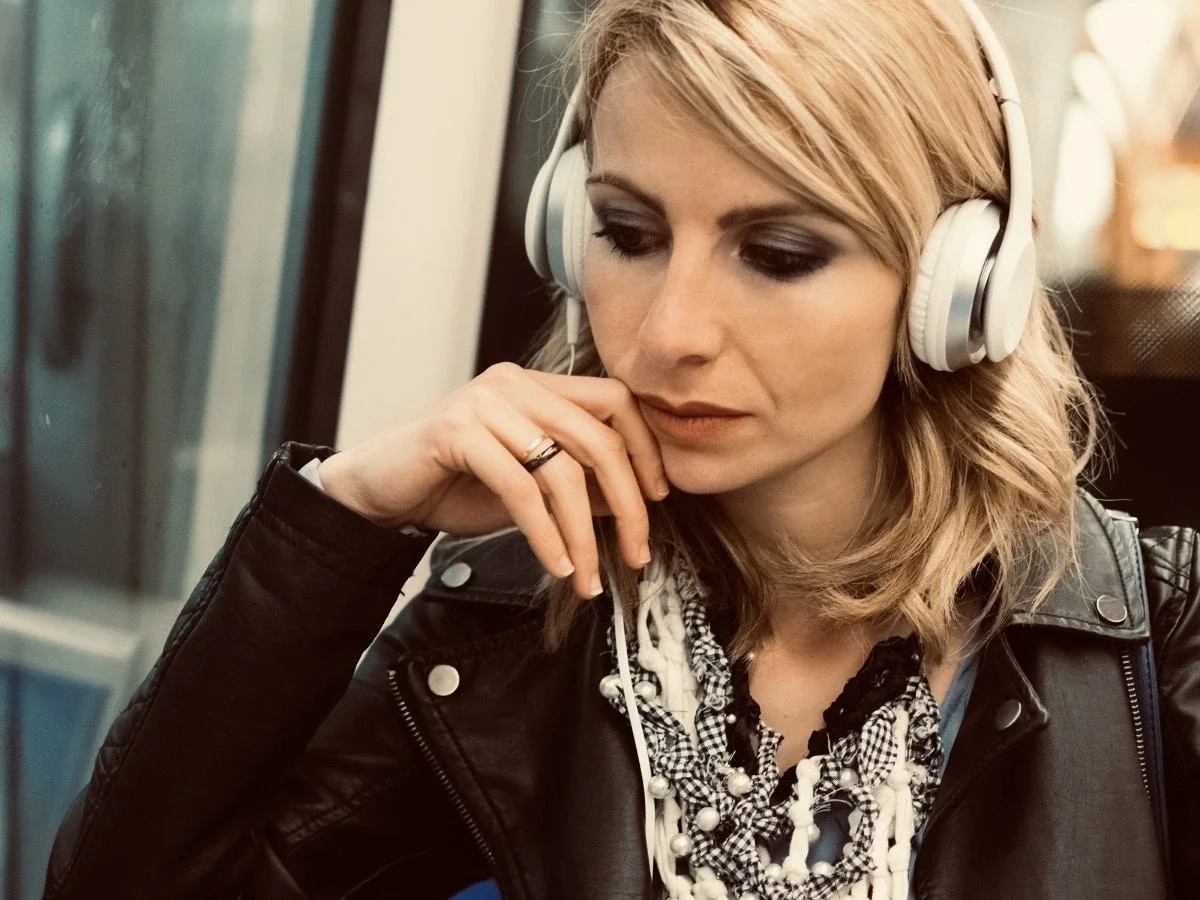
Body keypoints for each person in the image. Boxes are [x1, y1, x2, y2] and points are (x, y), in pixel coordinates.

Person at [43, 0, 1199, 898]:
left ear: (963, 288)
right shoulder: (510, 633)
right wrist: (344, 515)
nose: (667, 332)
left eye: (781, 252)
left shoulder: (1163, 637)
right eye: (628, 233)